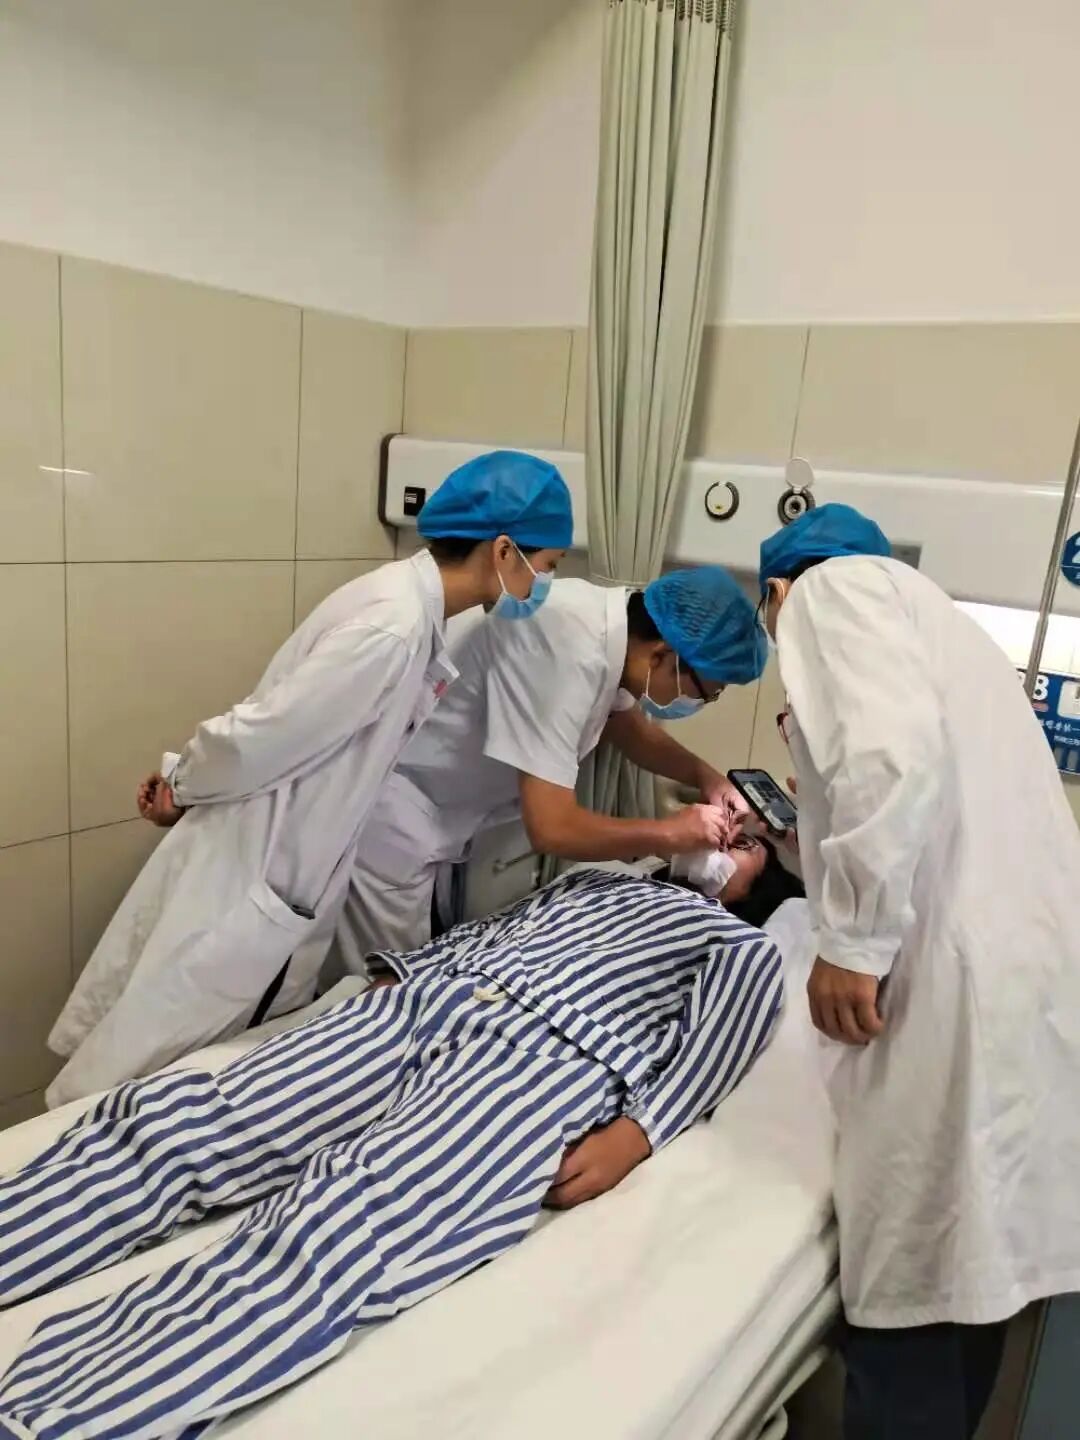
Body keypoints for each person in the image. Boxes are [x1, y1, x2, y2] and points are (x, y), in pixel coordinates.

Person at [0, 866, 784, 1440]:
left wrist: (635, 1136)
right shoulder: (601, 879)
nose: (732, 827)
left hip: (545, 1061)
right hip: (426, 1001)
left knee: (339, 1223)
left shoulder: (737, 942)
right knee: (188, 1123)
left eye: (751, 838)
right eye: (730, 812)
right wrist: (404, 975)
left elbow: (722, 1039)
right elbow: (495, 926)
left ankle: (56, 1417)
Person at [45, 450, 573, 1108]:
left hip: (282, 872)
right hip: (256, 876)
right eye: (547, 565)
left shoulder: (408, 613)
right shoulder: (391, 627)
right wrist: (181, 788)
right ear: (503, 551)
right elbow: (261, 736)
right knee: (146, 1070)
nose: (545, 584)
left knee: (182, 1063)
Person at [758, 502, 1080, 1440]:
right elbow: (912, 776)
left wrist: (851, 946)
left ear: (775, 592)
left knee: (919, 1262)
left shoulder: (828, 594)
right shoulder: (944, 625)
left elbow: (891, 760)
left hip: (951, 978)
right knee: (970, 1265)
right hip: (1023, 966)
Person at [335, 565, 768, 962]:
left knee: (421, 961)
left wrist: (707, 778)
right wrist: (669, 833)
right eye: (705, 692)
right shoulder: (567, 650)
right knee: (383, 980)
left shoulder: (615, 633)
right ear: (661, 656)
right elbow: (553, 829)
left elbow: (624, 724)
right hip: (397, 812)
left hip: (445, 813)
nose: (700, 702)